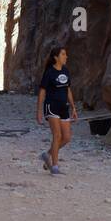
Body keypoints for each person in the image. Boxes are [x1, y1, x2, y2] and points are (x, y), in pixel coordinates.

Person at [36, 46, 78, 175]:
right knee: (57, 135)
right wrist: (39, 111)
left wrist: (73, 107)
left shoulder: (65, 70)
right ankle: (55, 167)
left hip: (63, 107)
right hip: (51, 106)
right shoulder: (49, 72)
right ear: (56, 57)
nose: (66, 56)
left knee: (66, 137)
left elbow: (68, 89)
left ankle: (47, 154)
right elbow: (42, 92)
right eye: (63, 54)